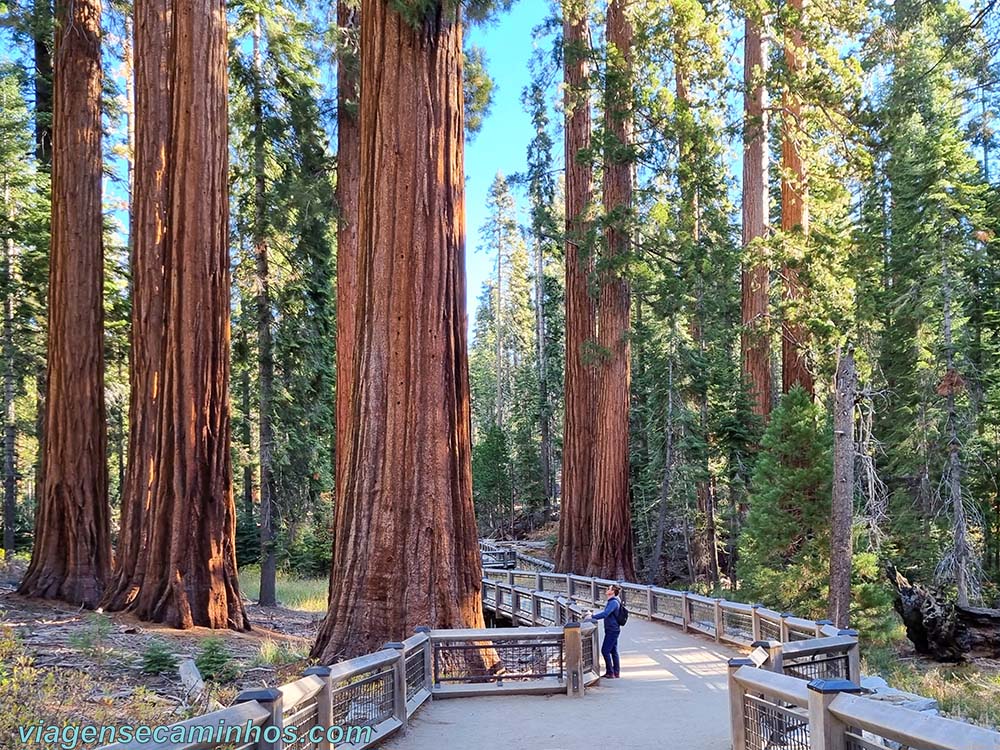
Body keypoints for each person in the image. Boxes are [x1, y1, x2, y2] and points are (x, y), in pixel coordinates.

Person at [585, 584, 622, 678]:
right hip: (613, 628)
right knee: (613, 651)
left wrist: (592, 617)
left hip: (612, 629)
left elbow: (605, 614)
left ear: (613, 592)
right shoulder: (613, 601)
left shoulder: (613, 602)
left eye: (608, 589)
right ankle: (615, 672)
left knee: (605, 651)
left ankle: (610, 672)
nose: (606, 590)